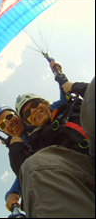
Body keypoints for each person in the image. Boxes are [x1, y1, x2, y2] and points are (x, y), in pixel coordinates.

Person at [9, 71, 95, 217]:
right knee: (33, 164)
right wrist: (15, 149)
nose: (34, 111)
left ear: (44, 103)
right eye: (27, 113)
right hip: (82, 173)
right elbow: (28, 175)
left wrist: (74, 86)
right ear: (28, 122)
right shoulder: (35, 144)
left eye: (35, 104)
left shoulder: (70, 106)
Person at [0, 69, 68, 211]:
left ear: (17, 114)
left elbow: (64, 101)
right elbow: (26, 168)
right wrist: (13, 192)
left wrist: (59, 75)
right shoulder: (19, 145)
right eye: (2, 125)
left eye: (8, 117)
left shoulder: (37, 114)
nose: (8, 124)